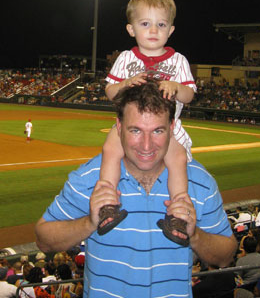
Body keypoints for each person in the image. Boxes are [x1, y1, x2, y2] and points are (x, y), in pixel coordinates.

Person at [35, 82, 237, 298]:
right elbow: (43, 240)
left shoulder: (199, 182)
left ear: (171, 128)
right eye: (135, 130)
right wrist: (88, 223)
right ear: (119, 127)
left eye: (157, 130)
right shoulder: (91, 178)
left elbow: (226, 255)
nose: (147, 145)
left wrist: (194, 236)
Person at [99, 0, 196, 245]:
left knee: (177, 158)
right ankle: (107, 203)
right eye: (145, 23)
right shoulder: (126, 58)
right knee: (110, 149)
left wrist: (177, 88)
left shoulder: (178, 60)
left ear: (170, 30)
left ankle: (178, 212)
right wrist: (126, 83)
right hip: (128, 126)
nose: (153, 30)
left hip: (168, 129)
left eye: (161, 24)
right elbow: (109, 91)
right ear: (131, 29)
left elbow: (189, 95)